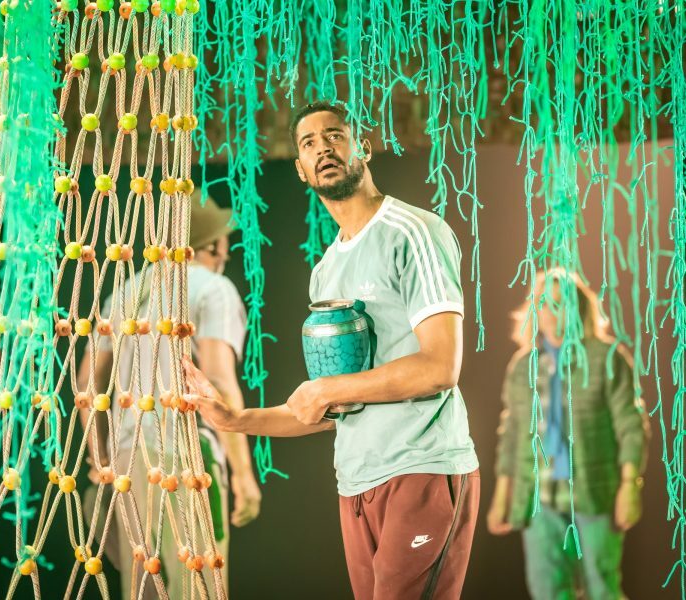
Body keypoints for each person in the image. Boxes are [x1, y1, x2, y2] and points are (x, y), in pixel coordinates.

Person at [184, 101, 480, 599]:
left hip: (422, 468)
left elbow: (439, 366)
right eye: (308, 143)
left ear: (362, 147)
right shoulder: (325, 272)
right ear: (300, 170)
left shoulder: (414, 232)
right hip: (356, 483)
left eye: (334, 135)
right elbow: (329, 407)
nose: (323, 146)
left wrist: (325, 388)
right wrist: (232, 419)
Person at [76, 192, 263, 599]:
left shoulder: (123, 294)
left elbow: (86, 385)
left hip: (128, 462)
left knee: (142, 587)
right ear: (210, 245)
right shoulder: (212, 288)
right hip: (185, 455)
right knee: (196, 584)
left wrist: (100, 454)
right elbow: (219, 381)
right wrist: (244, 474)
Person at [486, 271, 650, 600]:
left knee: (602, 588)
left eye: (561, 304)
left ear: (578, 309)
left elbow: (631, 426)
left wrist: (629, 487)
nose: (552, 311)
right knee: (548, 590)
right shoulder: (523, 366)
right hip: (539, 498)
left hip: (595, 491)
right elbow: (512, 434)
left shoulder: (606, 358)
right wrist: (502, 498)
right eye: (545, 303)